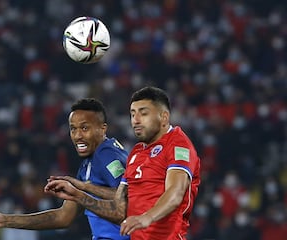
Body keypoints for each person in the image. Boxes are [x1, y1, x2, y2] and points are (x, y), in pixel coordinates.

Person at [46, 86, 201, 240]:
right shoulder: (136, 153)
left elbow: (175, 194)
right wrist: (78, 193)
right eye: (133, 114)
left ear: (164, 117)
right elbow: (119, 210)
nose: (136, 120)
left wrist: (146, 217)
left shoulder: (178, 145)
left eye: (143, 113)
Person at [0, 98, 130, 240]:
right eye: (73, 129)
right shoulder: (90, 162)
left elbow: (130, 197)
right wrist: (4, 220)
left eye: (85, 128)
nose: (78, 135)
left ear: (103, 129)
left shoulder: (106, 155)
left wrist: (81, 190)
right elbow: (63, 217)